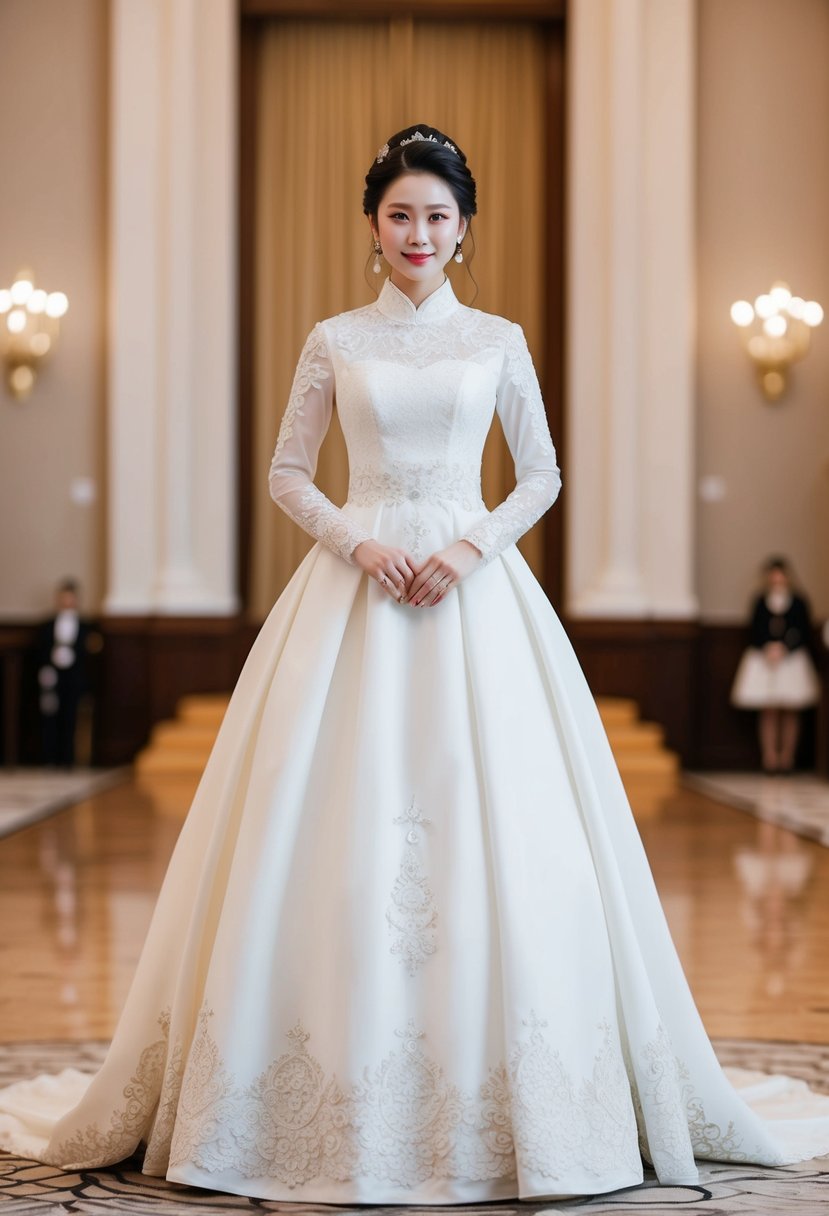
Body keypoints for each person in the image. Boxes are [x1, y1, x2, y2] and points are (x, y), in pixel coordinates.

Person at [1, 124, 828, 1205]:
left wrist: (468, 546)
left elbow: (538, 473)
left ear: (464, 227)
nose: (419, 232)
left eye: (438, 215)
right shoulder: (334, 338)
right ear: (373, 226)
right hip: (357, 585)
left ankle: (521, 1098)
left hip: (475, 590)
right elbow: (289, 472)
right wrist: (360, 540)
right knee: (325, 821)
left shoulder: (498, 339)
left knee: (506, 833)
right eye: (400, 214)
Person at [730, 556, 821, 773]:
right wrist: (767, 647)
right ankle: (769, 756)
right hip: (764, 659)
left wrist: (785, 648)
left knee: (790, 709)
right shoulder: (761, 601)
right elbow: (754, 629)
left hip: (792, 660)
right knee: (768, 710)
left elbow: (803, 630)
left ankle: (787, 757)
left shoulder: (798, 601)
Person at [35, 578, 94, 769]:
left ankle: (68, 760)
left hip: (74, 679)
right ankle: (49, 758)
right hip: (53, 678)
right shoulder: (47, 625)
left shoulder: (86, 627)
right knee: (50, 719)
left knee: (71, 718)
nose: (66, 602)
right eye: (63, 598)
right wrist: (46, 670)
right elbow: (41, 649)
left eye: (70, 598)